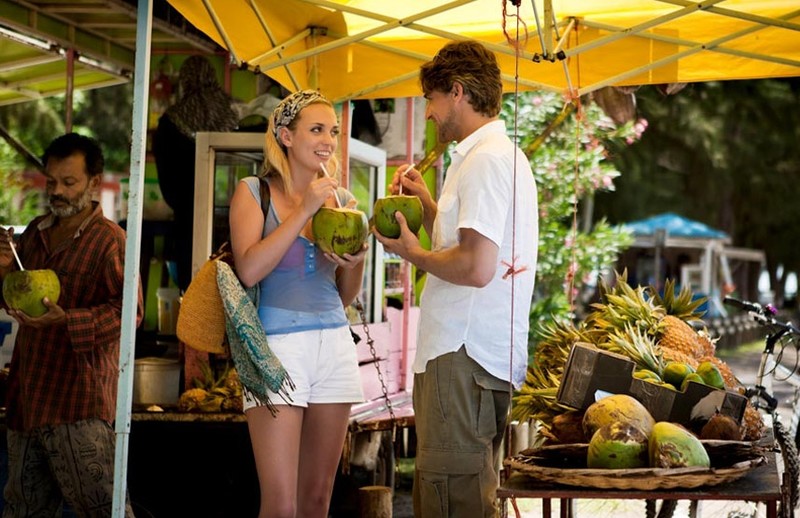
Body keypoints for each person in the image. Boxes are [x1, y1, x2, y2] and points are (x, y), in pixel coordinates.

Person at [373, 40, 539, 517]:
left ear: (458, 92)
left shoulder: (485, 160)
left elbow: (475, 267)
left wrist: (413, 253)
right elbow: (471, 247)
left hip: (461, 358)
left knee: (452, 500)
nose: (428, 112)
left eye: (432, 99)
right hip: (475, 358)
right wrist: (429, 207)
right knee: (467, 492)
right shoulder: (496, 155)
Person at [228, 89, 367, 518]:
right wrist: (304, 210)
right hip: (277, 350)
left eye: (334, 131)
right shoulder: (253, 191)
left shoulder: (340, 201)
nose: (329, 140)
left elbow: (345, 296)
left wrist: (357, 259)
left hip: (335, 345)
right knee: (281, 505)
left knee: (316, 501)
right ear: (286, 136)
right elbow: (249, 269)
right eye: (317, 129)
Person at [0, 133, 143, 517]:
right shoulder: (34, 233)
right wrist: (4, 268)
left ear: (94, 182)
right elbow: (12, 296)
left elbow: (128, 313)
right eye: (51, 181)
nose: (57, 192)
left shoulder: (110, 241)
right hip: (27, 401)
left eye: (69, 182)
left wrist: (69, 321)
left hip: (78, 405)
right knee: (22, 511)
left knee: (105, 510)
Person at [153, 55, 238, 291]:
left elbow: (167, 178)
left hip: (187, 221)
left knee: (193, 290)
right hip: (230, 218)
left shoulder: (171, 121)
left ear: (184, 81)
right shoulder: (232, 114)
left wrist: (184, 203)